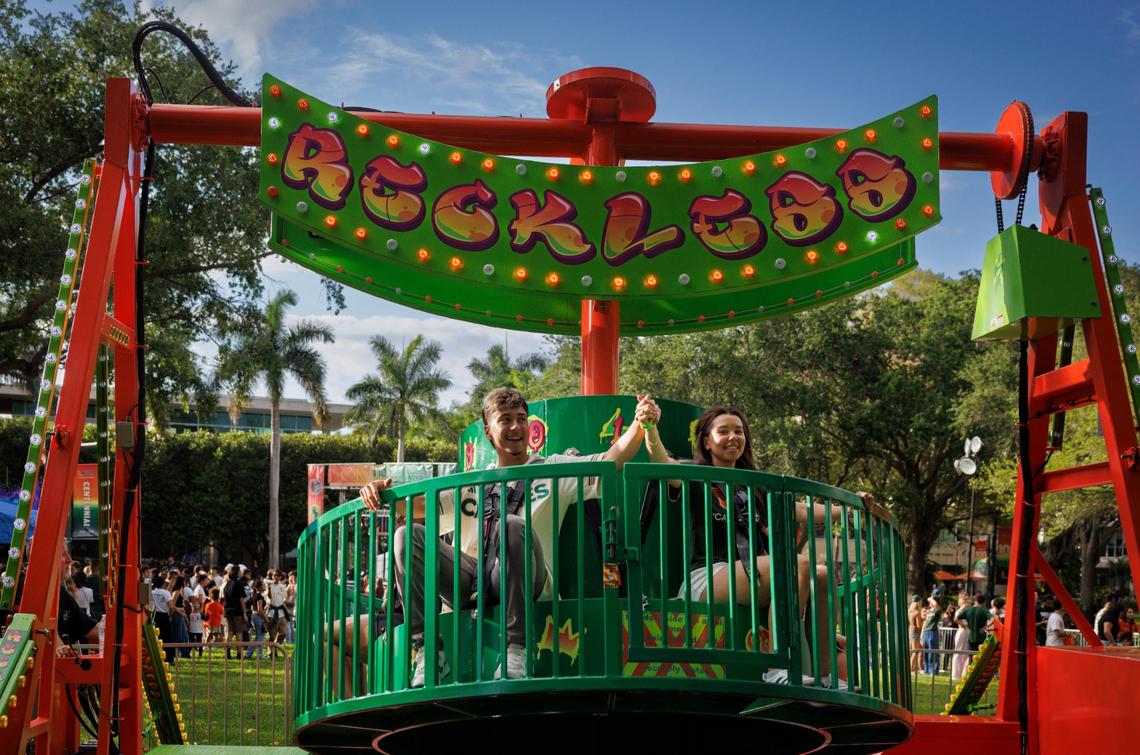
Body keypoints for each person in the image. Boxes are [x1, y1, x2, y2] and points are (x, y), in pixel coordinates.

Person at [357, 387, 656, 688]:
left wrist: (639, 423)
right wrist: (380, 493)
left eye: (522, 418)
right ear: (489, 432)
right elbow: (415, 506)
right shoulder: (472, 481)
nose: (516, 427)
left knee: (512, 525)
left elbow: (611, 460)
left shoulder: (552, 469)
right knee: (405, 535)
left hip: (528, 578)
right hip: (471, 581)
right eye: (506, 419)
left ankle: (516, 650)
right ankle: (428, 653)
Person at [640, 402, 866, 685]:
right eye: (723, 431)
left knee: (822, 576)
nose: (733, 437)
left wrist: (850, 508)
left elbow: (802, 511)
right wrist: (649, 427)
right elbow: (661, 463)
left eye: (739, 431)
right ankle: (776, 668)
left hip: (754, 573)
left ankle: (826, 675)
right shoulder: (694, 476)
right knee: (799, 564)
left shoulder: (755, 486)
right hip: (708, 577)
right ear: (707, 441)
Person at [222, 566, 248, 659]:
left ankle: (227, 653)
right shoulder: (238, 584)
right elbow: (242, 600)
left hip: (227, 611)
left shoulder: (227, 584)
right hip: (237, 611)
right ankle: (239, 654)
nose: (241, 572)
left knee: (230, 632)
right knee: (239, 632)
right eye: (240, 571)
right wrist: (244, 613)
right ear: (237, 573)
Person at [150, 574, 174, 662]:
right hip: (164, 615)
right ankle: (169, 658)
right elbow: (171, 606)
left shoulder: (151, 592)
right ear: (163, 584)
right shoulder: (166, 593)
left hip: (154, 615)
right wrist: (170, 616)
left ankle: (155, 657)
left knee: (156, 636)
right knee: (167, 636)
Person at [951, 593, 971, 681]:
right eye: (965, 599)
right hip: (962, 632)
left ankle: (963, 674)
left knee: (966, 653)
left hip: (967, 632)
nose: (968, 601)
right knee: (958, 652)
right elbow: (955, 619)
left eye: (967, 599)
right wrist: (964, 625)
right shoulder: (961, 609)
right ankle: (955, 674)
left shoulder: (967, 609)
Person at [921, 595, 941, 675]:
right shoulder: (929, 611)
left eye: (931, 601)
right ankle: (926, 670)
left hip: (933, 632)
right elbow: (925, 623)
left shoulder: (937, 610)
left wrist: (931, 598)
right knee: (926, 652)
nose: (929, 602)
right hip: (926, 632)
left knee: (933, 652)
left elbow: (936, 606)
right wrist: (921, 635)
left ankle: (933, 671)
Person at [907, 596, 924, 672]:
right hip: (916, 632)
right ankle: (910, 669)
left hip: (910, 631)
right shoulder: (917, 612)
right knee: (915, 652)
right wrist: (923, 621)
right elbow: (919, 625)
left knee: (911, 651)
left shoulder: (910, 611)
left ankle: (910, 668)